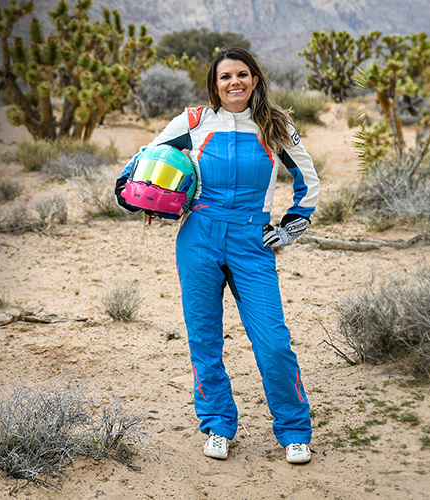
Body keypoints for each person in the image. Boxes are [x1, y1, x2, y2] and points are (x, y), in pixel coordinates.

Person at [139, 47, 321, 464]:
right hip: (199, 234)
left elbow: (308, 180)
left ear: (255, 80)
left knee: (273, 341)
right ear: (214, 84)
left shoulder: (276, 125)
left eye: (242, 74)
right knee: (204, 338)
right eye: (225, 77)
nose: (234, 83)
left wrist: (290, 227)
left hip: (251, 240)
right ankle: (218, 424)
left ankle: (294, 430)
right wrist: (129, 192)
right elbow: (147, 158)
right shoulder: (194, 122)